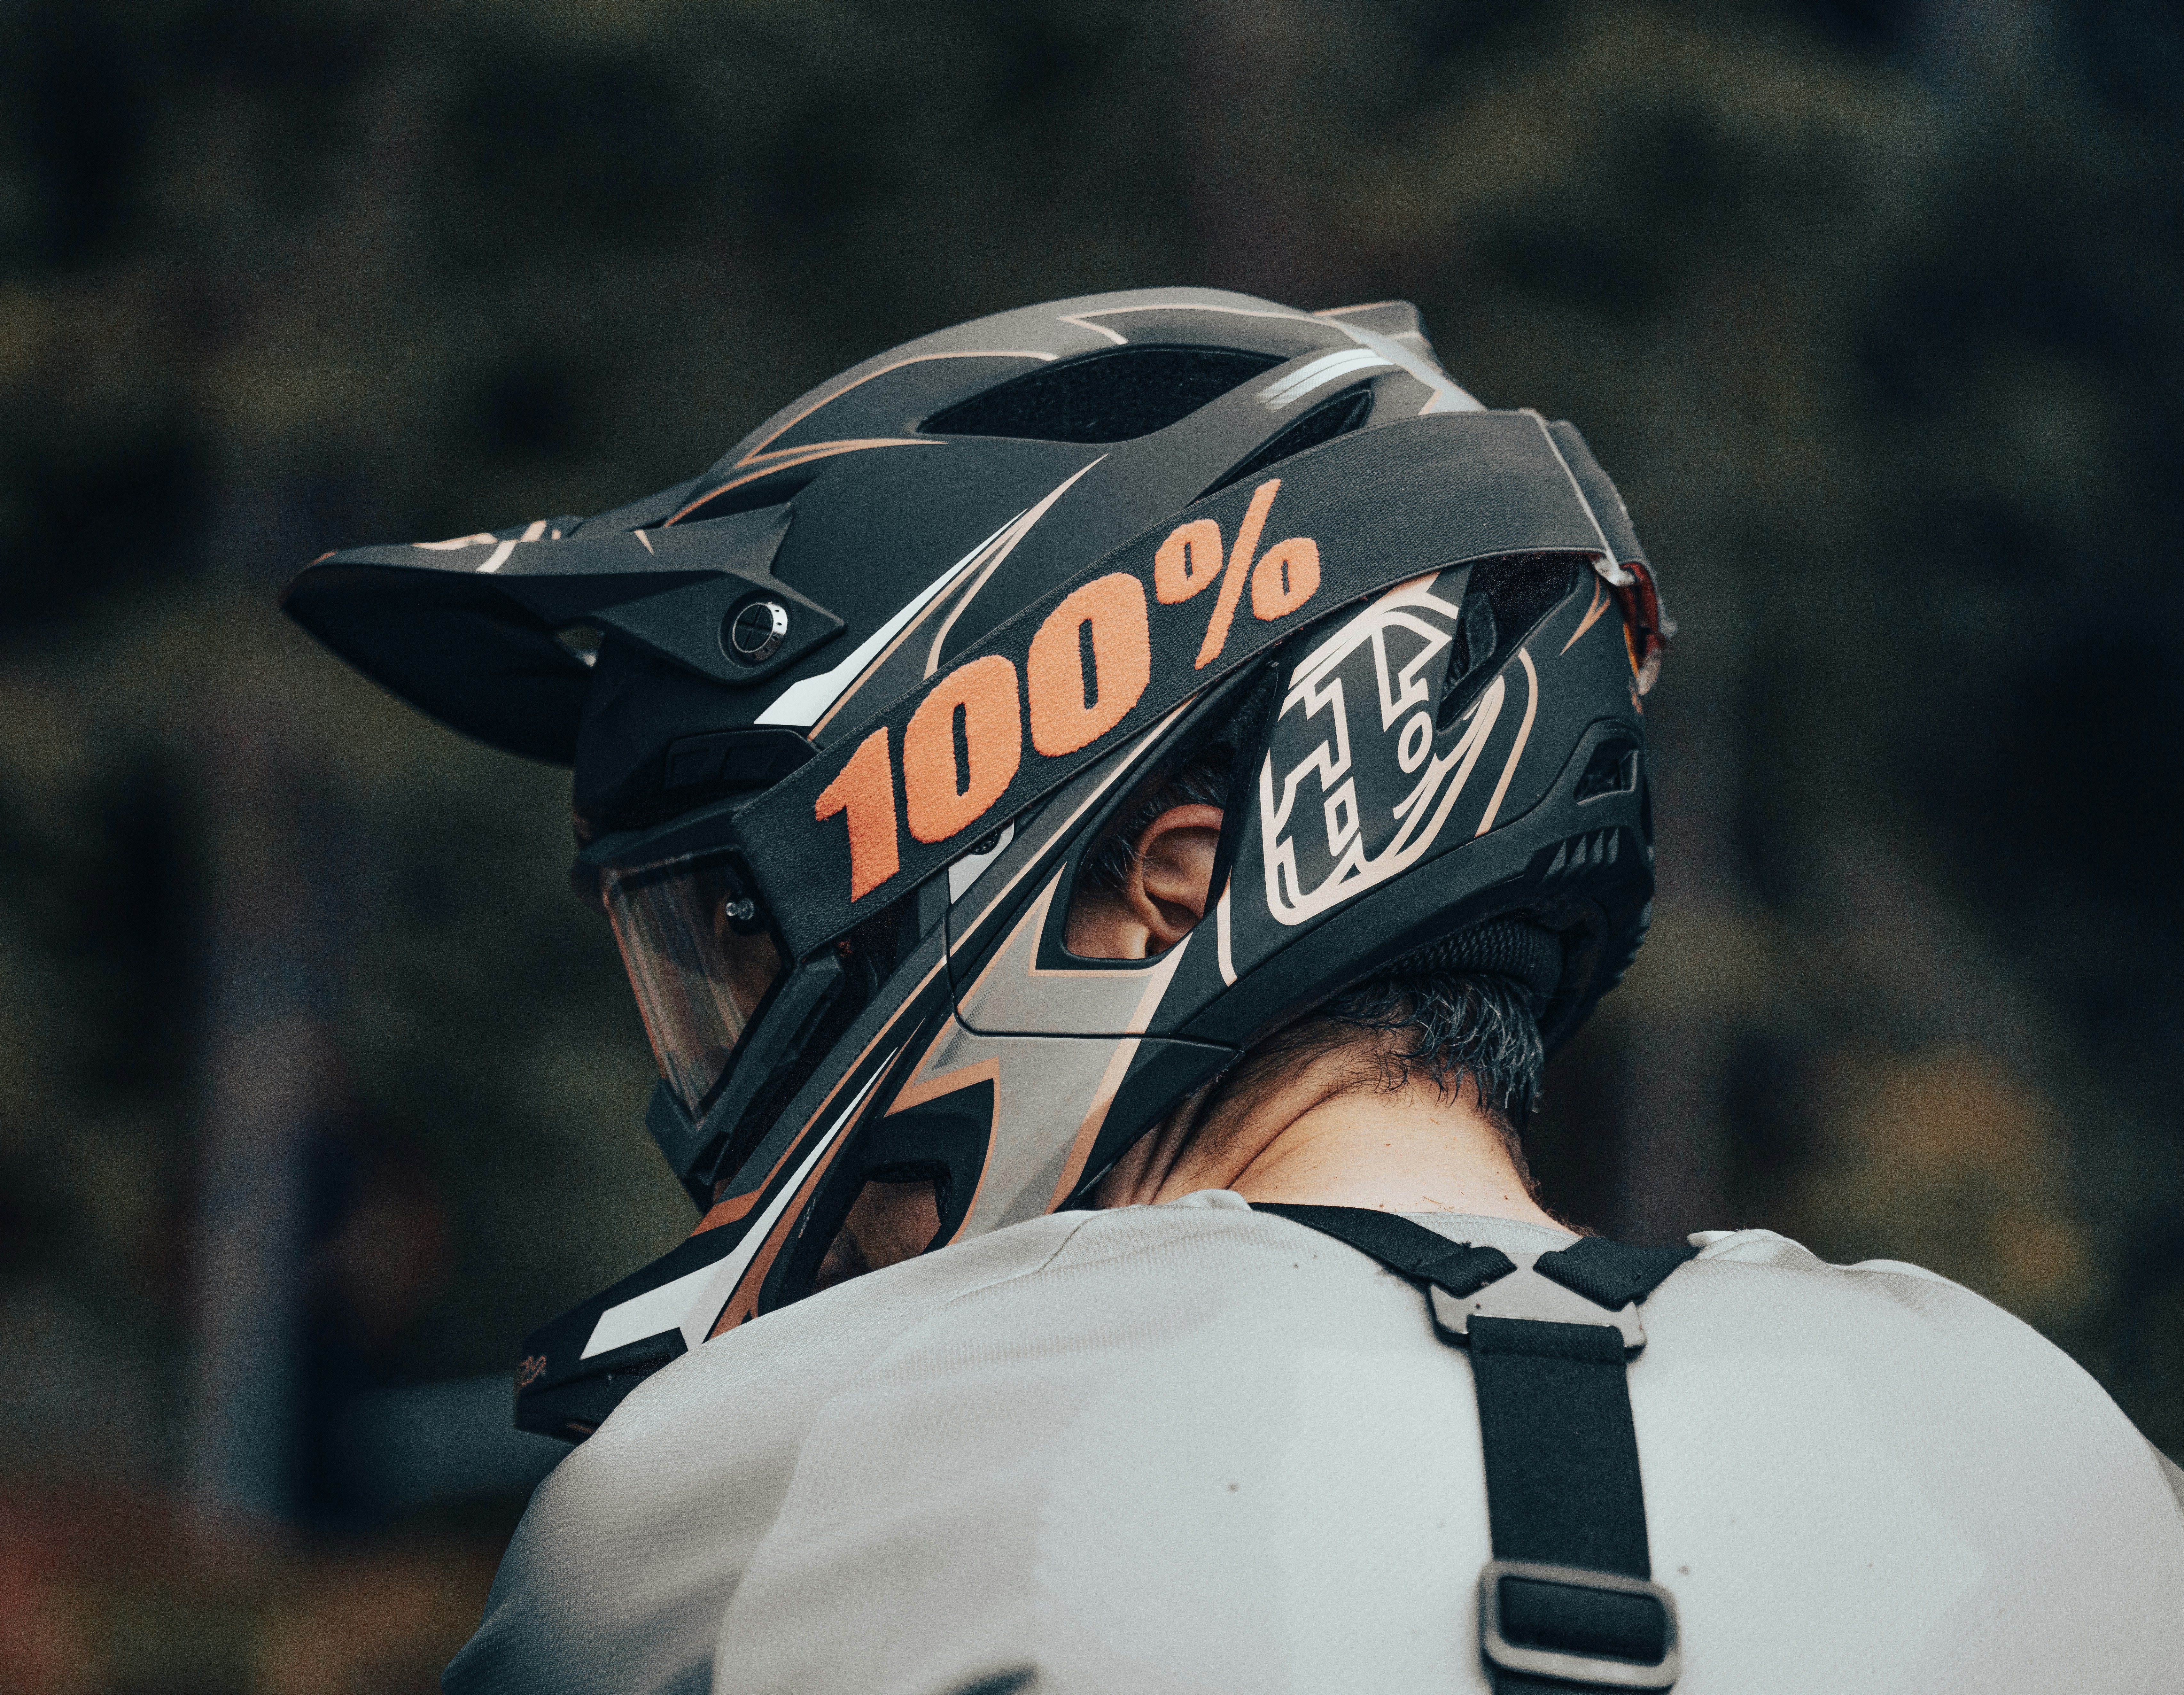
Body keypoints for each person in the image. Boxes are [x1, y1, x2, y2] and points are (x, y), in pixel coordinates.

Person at [284, 289, 2184, 1692]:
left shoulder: (766, 1492)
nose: (708, 1090)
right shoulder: (2066, 1463)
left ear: (1163, 864)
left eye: (739, 947)